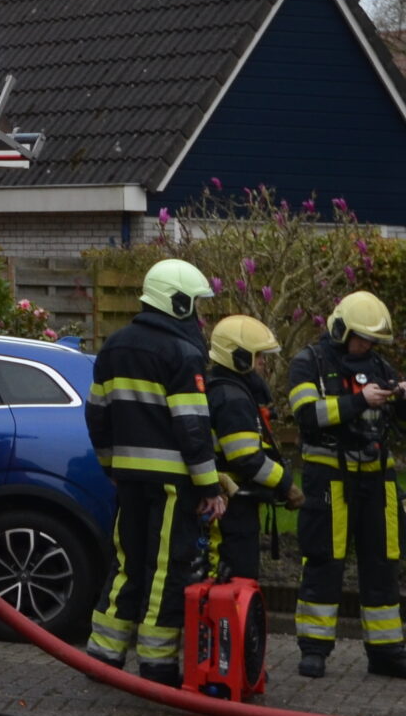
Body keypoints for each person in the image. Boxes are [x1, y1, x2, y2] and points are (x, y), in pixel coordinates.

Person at [84, 258, 224, 686]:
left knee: (127, 561)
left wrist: (111, 466)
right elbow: (193, 427)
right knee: (166, 568)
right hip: (171, 483)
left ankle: (103, 654)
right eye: (195, 306)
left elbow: (97, 416)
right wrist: (210, 486)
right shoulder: (183, 354)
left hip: (127, 479)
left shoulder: (114, 346)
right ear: (178, 303)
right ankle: (156, 664)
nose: (199, 316)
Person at [286, 291, 405, 679]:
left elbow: (394, 423)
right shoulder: (310, 364)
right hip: (329, 478)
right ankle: (315, 649)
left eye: (371, 340)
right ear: (340, 329)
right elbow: (306, 413)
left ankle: (386, 652)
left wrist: (400, 398)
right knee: (323, 560)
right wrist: (359, 402)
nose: (365, 346)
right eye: (359, 338)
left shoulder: (380, 365)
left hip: (377, 478)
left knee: (383, 564)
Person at [204, 314, 297, 583]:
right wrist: (286, 484)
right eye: (259, 357)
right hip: (232, 508)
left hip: (231, 503)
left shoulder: (228, 390)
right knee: (234, 580)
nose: (264, 364)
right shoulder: (233, 399)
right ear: (240, 358)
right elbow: (246, 459)